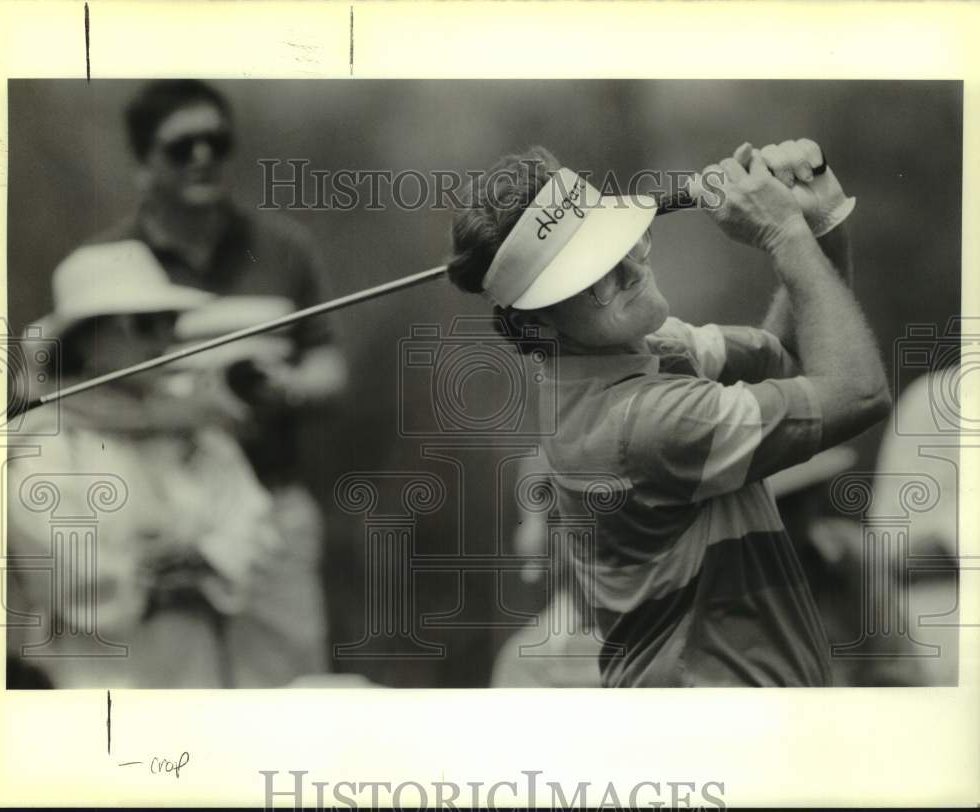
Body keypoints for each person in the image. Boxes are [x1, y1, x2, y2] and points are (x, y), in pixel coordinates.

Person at [446, 140, 891, 687]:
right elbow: (858, 391)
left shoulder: (632, 349)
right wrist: (783, 235)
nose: (633, 269)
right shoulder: (644, 423)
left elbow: (794, 358)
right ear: (539, 326)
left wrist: (819, 224)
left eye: (624, 244)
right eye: (597, 279)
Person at [90, 79, 348, 680]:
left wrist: (287, 385)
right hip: (156, 522)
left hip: (272, 507)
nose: (203, 156)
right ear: (142, 165)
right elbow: (71, 395)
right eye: (181, 147)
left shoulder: (283, 246)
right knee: (176, 705)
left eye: (216, 141)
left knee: (287, 696)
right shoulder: (105, 265)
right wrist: (184, 410)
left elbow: (328, 363)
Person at [7, 240, 286, 688]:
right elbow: (50, 553)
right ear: (88, 339)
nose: (163, 340)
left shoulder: (195, 431)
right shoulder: (52, 441)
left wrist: (208, 562)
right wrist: (144, 581)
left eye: (169, 323)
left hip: (196, 663)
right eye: (143, 324)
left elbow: (251, 520)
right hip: (95, 671)